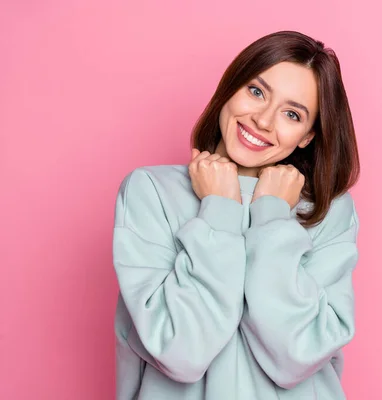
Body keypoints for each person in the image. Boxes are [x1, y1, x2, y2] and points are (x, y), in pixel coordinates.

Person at [111, 30, 361, 399]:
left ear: (307, 136)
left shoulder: (328, 211)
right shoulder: (151, 191)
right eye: (256, 92)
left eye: (292, 114)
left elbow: (297, 355)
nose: (263, 120)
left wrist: (272, 216)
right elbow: (181, 351)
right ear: (230, 88)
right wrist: (220, 211)